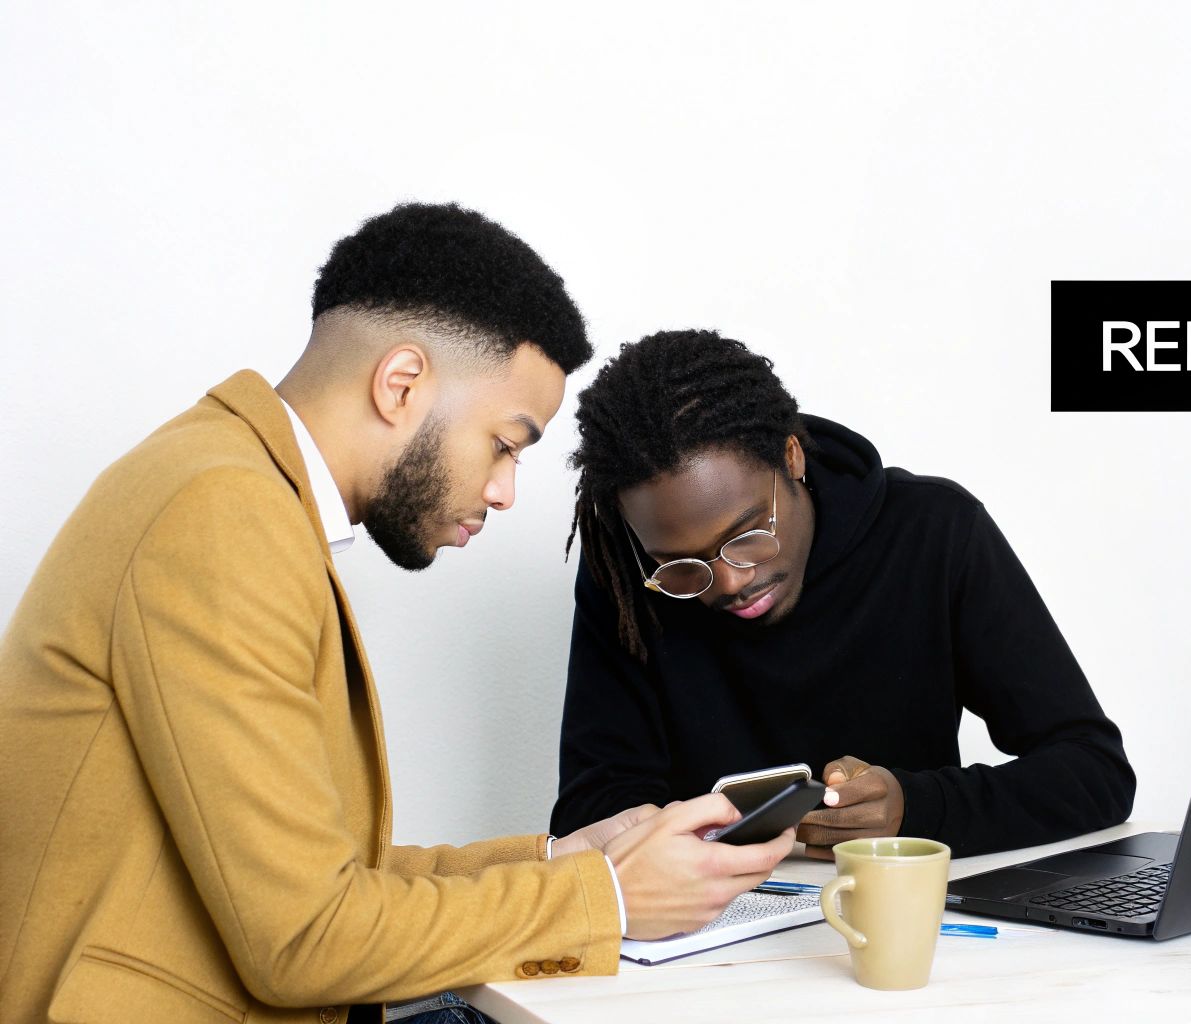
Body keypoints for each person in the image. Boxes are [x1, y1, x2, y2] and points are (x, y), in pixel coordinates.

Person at [0, 205, 793, 1024]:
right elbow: (307, 937)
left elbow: (325, 882)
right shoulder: (220, 514)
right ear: (401, 384)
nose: (503, 490)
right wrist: (609, 900)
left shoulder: (231, 490)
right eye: (505, 442)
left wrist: (565, 858)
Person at [554, 329, 1136, 860]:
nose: (728, 582)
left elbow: (1094, 771)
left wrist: (915, 806)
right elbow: (590, 814)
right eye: (682, 566)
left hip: (905, 925)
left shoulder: (934, 533)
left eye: (747, 536)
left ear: (791, 457)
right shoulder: (628, 578)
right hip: (707, 936)